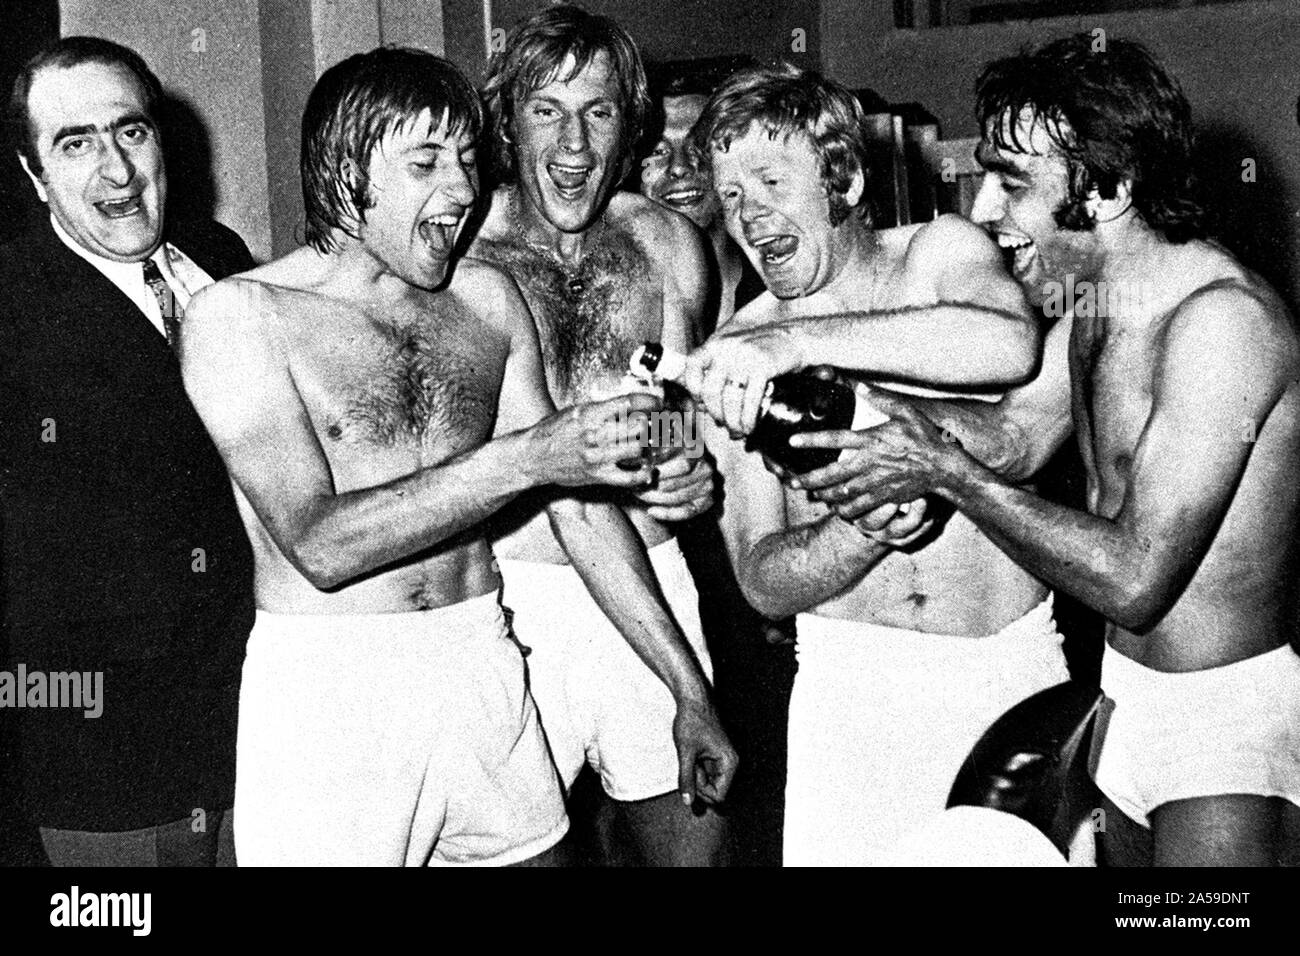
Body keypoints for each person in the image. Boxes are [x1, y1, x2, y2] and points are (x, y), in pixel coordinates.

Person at [180, 46, 735, 867]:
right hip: (335, 691)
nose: (462, 191)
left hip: (481, 660)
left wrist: (688, 689)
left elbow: (577, 505)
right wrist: (528, 457)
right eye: (427, 163)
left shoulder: (486, 299)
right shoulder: (241, 318)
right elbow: (321, 545)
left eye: (470, 162)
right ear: (343, 172)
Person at [783, 35, 1300, 866]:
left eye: (1013, 182)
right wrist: (834, 394)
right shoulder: (1098, 301)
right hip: (1124, 702)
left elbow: (1135, 579)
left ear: (1109, 188)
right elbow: (1016, 436)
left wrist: (944, 473)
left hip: (1220, 721)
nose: (986, 209)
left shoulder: (1220, 326)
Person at [679, 63, 1071, 866]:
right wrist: (862, 530)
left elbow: (1008, 341)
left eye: (771, 179)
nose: (751, 212)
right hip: (850, 691)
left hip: (1001, 670)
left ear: (841, 179)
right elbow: (761, 578)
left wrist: (801, 345)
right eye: (732, 193)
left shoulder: (937, 254)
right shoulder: (733, 357)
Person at [468, 5, 732, 865]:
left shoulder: (668, 245)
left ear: (631, 124)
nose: (575, 142)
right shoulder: (462, 258)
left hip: (654, 577)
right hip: (514, 595)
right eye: (546, 109)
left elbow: (685, 409)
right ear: (507, 120)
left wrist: (696, 470)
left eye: (600, 110)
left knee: (694, 847)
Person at [0, 36, 256, 866]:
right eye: (76, 144)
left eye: (131, 132)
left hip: (262, 719)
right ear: (35, 175)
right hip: (112, 758)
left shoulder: (220, 259)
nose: (116, 170)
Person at [640, 56, 764, 335]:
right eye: (657, 151)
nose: (680, 167)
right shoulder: (619, 303)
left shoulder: (780, 285)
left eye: (698, 146)